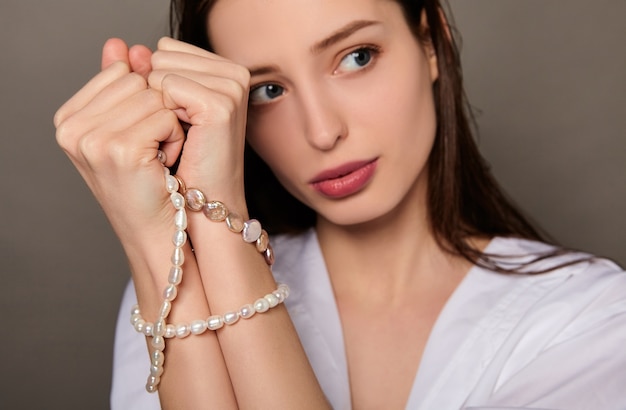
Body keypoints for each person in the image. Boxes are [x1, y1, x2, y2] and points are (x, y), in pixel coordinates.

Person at [54, 0, 626, 408]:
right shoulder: (173, 286)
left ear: (433, 41)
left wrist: (207, 236)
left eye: (356, 57)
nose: (323, 132)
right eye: (267, 90)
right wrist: (154, 235)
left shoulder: (590, 318)